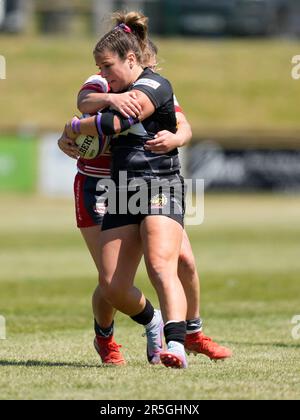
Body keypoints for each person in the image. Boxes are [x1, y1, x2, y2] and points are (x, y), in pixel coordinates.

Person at [61, 12, 231, 369]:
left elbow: (182, 123)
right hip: (101, 184)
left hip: (153, 183)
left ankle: (186, 335)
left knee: (175, 260)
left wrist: (176, 137)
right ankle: (114, 334)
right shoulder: (103, 79)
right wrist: (98, 110)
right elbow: (85, 104)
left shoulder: (153, 84)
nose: (149, 71)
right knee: (110, 283)